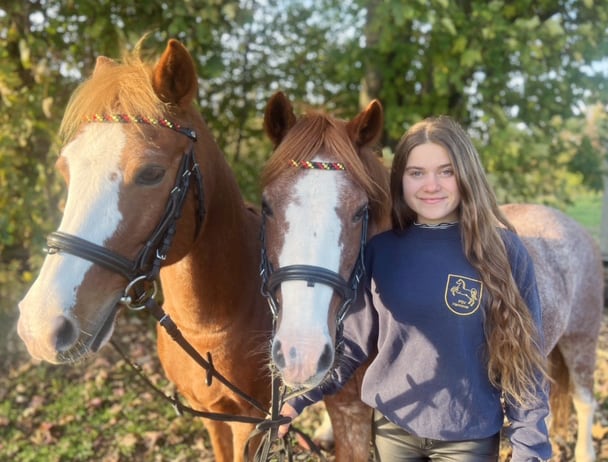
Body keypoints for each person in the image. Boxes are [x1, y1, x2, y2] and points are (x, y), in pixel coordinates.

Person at [279, 115, 552, 462]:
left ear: (466, 174)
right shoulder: (381, 250)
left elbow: (524, 361)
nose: (431, 185)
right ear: (401, 180)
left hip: (467, 436)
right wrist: (297, 398)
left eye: (446, 171)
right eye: (417, 173)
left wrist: (530, 451)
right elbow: (352, 344)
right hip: (395, 428)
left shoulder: (503, 252)